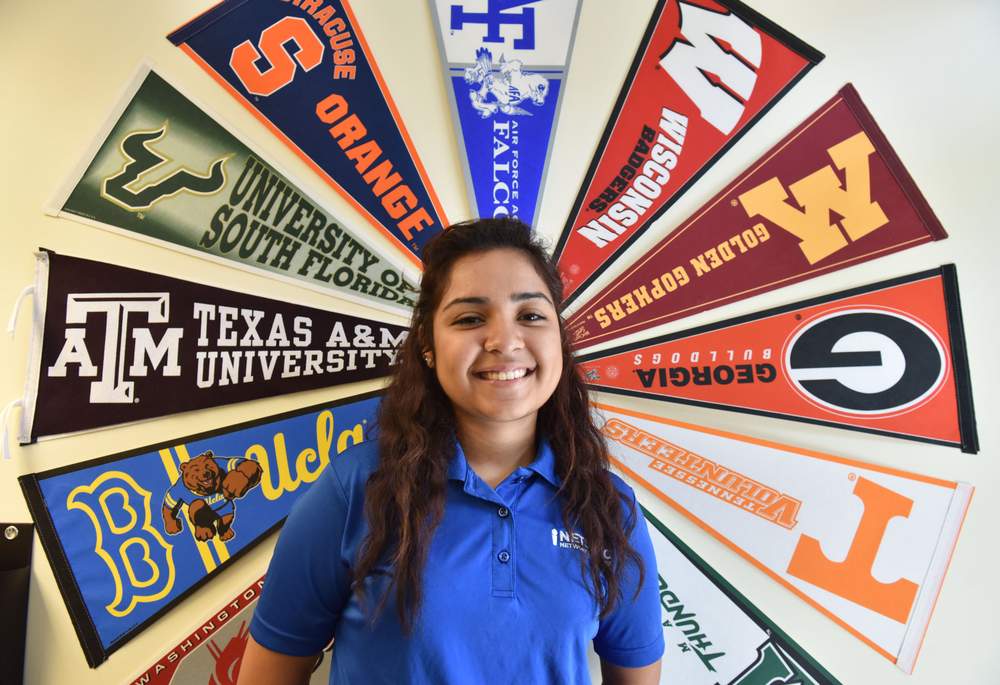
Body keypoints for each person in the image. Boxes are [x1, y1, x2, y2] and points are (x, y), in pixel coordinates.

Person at [238, 219, 664, 684]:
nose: (505, 341)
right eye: (470, 319)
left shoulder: (609, 509)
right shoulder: (356, 490)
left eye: (530, 315)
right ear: (427, 345)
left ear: (558, 338)